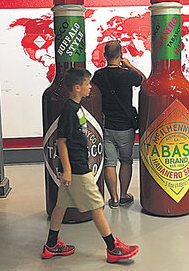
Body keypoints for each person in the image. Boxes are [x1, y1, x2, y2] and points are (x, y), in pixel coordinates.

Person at [41, 68, 139, 263]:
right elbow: (61, 141)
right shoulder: (69, 110)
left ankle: (51, 245)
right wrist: (68, 170)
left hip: (75, 168)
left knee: (60, 206)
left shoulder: (77, 108)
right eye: (87, 84)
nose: (90, 88)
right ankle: (113, 248)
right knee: (97, 206)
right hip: (77, 170)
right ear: (77, 88)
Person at [92, 40, 146, 209]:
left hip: (107, 126)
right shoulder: (127, 74)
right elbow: (143, 80)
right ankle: (124, 195)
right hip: (125, 127)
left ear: (105, 56)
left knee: (110, 163)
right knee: (126, 160)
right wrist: (129, 65)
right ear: (121, 55)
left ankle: (113, 198)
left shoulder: (99, 75)